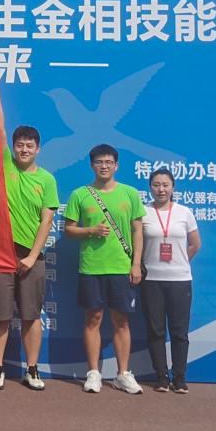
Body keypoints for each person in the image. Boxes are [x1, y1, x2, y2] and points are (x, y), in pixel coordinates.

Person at [0, 98, 59, 391]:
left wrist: (32, 256)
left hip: (32, 257)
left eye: (30, 145)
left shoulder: (47, 180)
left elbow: (47, 221)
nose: (24, 149)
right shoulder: (6, 165)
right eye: (20, 145)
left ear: (38, 149)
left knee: (31, 316)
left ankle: (32, 369)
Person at [63, 143, 145, 394]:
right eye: (99, 162)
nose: (104, 166)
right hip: (91, 267)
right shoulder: (80, 194)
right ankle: (93, 373)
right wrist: (91, 230)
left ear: (116, 166)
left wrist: (136, 264)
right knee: (93, 319)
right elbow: (68, 230)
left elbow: (138, 231)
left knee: (121, 321)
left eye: (109, 162)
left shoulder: (130, 194)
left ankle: (123, 374)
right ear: (92, 165)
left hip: (121, 267)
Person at [140, 167, 201, 394]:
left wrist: (179, 261)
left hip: (180, 279)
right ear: (150, 187)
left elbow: (195, 244)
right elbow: (138, 244)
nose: (161, 189)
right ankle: (161, 377)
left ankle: (180, 378)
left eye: (165, 185)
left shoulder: (184, 213)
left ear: (173, 187)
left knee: (179, 331)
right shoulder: (143, 212)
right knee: (155, 330)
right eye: (156, 185)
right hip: (151, 279)